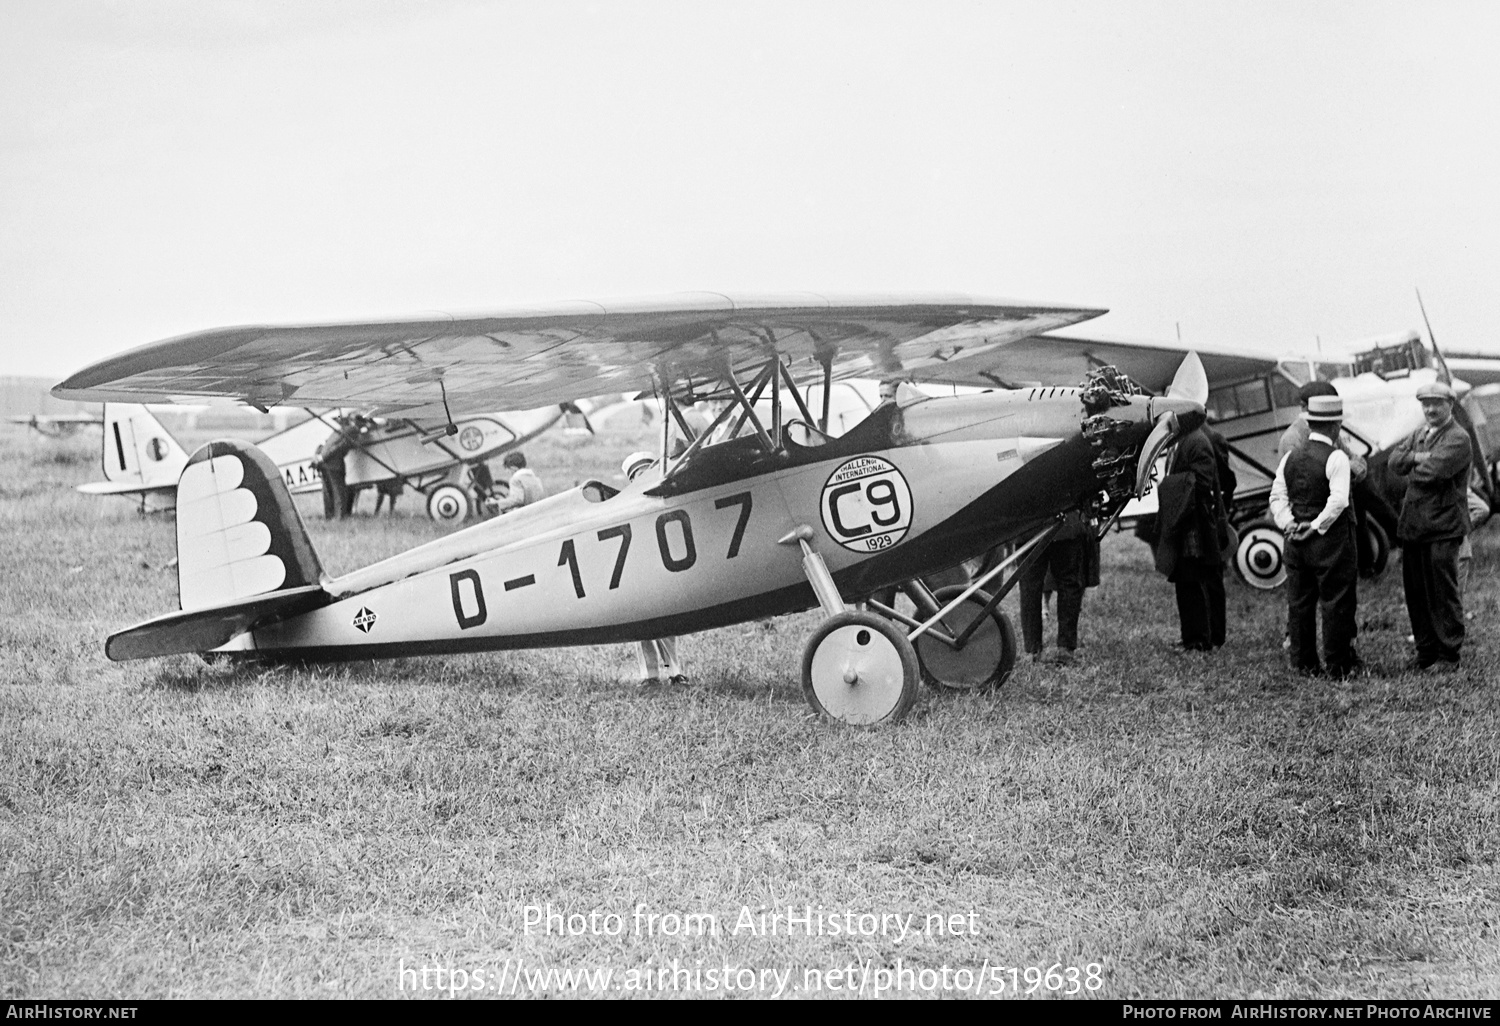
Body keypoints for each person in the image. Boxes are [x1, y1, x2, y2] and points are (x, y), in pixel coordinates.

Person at [1269, 394, 1359, 678]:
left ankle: (1304, 664)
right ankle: (1338, 666)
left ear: (1310, 424)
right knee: (1336, 602)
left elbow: (1276, 496)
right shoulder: (1337, 458)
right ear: (1336, 426)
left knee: (1299, 603)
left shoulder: (1289, 458)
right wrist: (1316, 524)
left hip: (1295, 542)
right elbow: (1339, 501)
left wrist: (1289, 523)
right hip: (1329, 543)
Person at [1388, 380, 1472, 672]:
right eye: (1426, 404)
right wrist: (1417, 458)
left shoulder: (1458, 438)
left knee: (1442, 591)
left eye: (1437, 404)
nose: (1431, 409)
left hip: (1443, 525)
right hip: (1414, 526)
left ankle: (1448, 655)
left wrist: (1414, 464)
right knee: (1417, 592)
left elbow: (1431, 474)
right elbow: (1393, 462)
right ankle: (1426, 653)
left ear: (1450, 405)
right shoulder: (1419, 434)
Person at [1156, 419, 1228, 651]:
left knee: (1194, 582)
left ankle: (1199, 640)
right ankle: (1194, 636)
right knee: (1187, 582)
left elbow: (1202, 484)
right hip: (1185, 520)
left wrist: (1169, 490)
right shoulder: (1183, 440)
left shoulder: (1196, 441)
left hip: (1193, 522)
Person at [621, 451, 687, 687]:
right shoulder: (630, 502)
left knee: (666, 628)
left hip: (661, 569)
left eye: (649, 470)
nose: (645, 476)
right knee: (643, 631)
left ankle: (674, 671)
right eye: (640, 473)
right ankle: (649, 675)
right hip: (640, 571)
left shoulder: (665, 494)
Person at [1019, 510, 1091, 665]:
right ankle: (1061, 650)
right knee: (1067, 583)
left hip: (1032, 524)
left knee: (1030, 587)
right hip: (1063, 522)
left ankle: (1034, 650)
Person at [314, 418, 357, 520]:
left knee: (331, 492)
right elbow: (335, 448)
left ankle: (334, 516)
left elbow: (336, 447)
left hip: (328, 464)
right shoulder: (342, 431)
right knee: (337, 492)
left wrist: (322, 458)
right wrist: (322, 458)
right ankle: (337, 517)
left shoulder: (340, 432)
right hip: (332, 465)